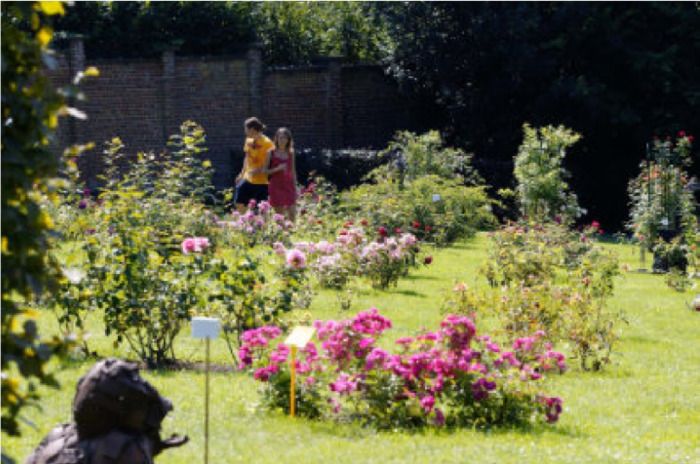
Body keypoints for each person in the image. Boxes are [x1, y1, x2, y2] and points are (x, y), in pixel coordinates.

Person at [234, 117, 275, 212]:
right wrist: (241, 174)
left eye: (246, 129)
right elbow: (247, 158)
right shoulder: (248, 140)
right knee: (239, 202)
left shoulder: (268, 143)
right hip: (247, 178)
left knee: (262, 209)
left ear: (252, 129)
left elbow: (271, 163)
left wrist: (259, 170)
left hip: (261, 181)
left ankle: (261, 225)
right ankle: (245, 222)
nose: (245, 131)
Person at [264, 127, 298, 221]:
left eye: (285, 138)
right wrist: (277, 169)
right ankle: (282, 234)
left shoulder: (291, 153)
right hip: (276, 186)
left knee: (292, 213)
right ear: (276, 139)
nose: (282, 140)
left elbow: (293, 171)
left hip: (288, 185)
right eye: (280, 138)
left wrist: (295, 188)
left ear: (288, 140)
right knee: (280, 216)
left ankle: (292, 234)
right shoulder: (270, 153)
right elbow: (264, 171)